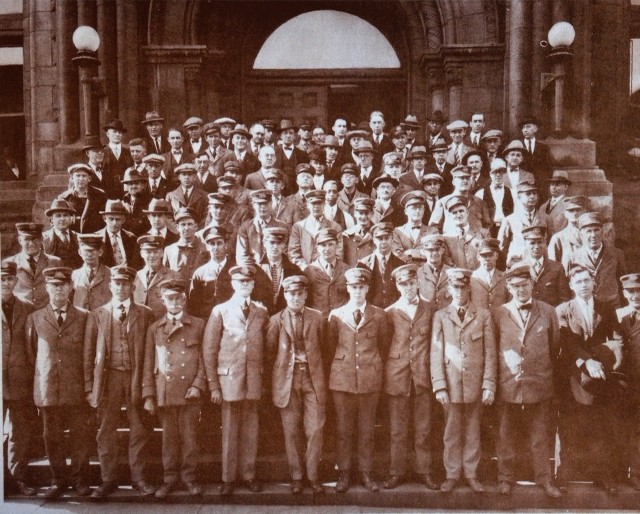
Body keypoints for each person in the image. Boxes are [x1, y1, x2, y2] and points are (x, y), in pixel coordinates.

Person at [84, 266, 156, 499]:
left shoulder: (145, 313)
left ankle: (139, 478)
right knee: (106, 430)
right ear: (110, 286)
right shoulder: (98, 314)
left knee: (139, 428)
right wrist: (88, 386)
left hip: (135, 376)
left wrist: (147, 389)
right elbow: (88, 353)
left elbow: (151, 353)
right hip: (108, 378)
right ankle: (108, 479)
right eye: (117, 283)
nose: (121, 288)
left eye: (126, 284)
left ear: (133, 287)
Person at [493, 264, 562, 498]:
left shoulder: (548, 312)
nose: (521, 290)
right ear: (509, 289)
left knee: (540, 436)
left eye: (524, 285)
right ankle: (505, 479)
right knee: (505, 435)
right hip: (508, 383)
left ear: (532, 285)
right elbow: (493, 348)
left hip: (539, 383)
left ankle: (544, 480)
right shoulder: (499, 313)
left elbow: (554, 347)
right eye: (515, 286)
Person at [556, 264, 624, 495]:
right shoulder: (563, 310)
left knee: (600, 424)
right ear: (571, 285)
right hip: (573, 375)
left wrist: (612, 358)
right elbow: (567, 342)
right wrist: (587, 362)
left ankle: (603, 474)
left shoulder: (606, 308)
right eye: (578, 282)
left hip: (601, 376)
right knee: (570, 425)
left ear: (593, 282)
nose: (583, 285)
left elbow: (615, 338)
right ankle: (564, 473)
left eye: (587, 281)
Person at [202, 265, 269, 495]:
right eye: (241, 282)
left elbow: (265, 348)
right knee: (229, 430)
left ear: (253, 284)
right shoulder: (220, 311)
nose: (245, 285)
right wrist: (213, 384)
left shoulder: (261, 311)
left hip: (253, 380)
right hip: (228, 379)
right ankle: (228, 478)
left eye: (249, 282)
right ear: (233, 284)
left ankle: (248, 475)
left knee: (251, 429)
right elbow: (209, 350)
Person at [25, 267, 92, 499]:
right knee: (51, 437)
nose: (59, 290)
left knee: (80, 436)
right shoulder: (35, 318)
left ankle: (80, 479)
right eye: (54, 285)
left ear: (71, 287)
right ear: (47, 288)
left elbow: (89, 352)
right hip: (48, 388)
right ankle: (58, 479)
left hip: (76, 388)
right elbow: (31, 353)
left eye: (63, 285)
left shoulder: (84, 316)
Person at [431, 268, 496, 493]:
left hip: (474, 384)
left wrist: (488, 383)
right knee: (451, 431)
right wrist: (439, 384)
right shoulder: (440, 315)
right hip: (450, 384)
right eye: (455, 288)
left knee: (472, 430)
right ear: (449, 289)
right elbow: (435, 352)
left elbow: (490, 353)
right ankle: (451, 474)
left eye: (462, 287)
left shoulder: (483, 315)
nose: (459, 292)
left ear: (469, 288)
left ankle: (471, 474)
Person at [142, 279, 206, 499]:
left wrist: (198, 385)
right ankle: (169, 479)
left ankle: (189, 478)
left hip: (190, 392)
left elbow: (204, 360)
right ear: (163, 300)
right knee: (168, 439)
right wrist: (149, 395)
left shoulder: (198, 324)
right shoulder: (155, 328)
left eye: (179, 297)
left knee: (189, 438)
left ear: (185, 299)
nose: (175, 302)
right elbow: (148, 364)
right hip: (165, 393)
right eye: (170, 298)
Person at [328, 267, 389, 493]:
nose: (357, 291)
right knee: (344, 429)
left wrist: (371, 365)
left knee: (366, 429)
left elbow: (383, 344)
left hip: (369, 379)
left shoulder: (379, 315)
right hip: (342, 380)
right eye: (353, 287)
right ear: (348, 289)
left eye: (361, 287)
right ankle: (343, 472)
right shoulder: (336, 315)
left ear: (367, 288)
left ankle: (365, 472)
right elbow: (330, 345)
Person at [265, 275, 327, 495]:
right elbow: (270, 353)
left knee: (315, 428)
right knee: (291, 431)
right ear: (285, 295)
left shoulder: (318, 318)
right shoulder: (275, 320)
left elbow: (325, 349)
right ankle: (297, 476)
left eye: (300, 294)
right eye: (291, 294)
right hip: (287, 380)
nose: (296, 298)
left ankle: (312, 476)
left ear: (306, 295)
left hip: (312, 377)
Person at [382, 264, 439, 491]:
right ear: (397, 286)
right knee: (397, 429)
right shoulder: (390, 312)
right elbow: (385, 343)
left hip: (422, 376)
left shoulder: (430, 309)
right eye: (403, 284)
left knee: (423, 428)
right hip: (398, 376)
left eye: (412, 283)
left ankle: (424, 471)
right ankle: (397, 472)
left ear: (418, 283)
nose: (408, 287)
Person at [1, 261, 38, 496]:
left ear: (16, 281)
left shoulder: (26, 308)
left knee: (20, 431)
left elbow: (31, 344)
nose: (5, 283)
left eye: (9, 279)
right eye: (1, 279)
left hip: (20, 378)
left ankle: (17, 478)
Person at [568, 212, 627, 309]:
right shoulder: (573, 257)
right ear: (581, 234)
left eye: (596, 230)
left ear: (602, 231)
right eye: (588, 231)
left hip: (612, 306)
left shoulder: (617, 254)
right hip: (585, 307)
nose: (593, 235)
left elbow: (622, 283)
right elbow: (569, 287)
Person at [3, 222, 62, 309]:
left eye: (35, 239)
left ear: (42, 239)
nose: (31, 243)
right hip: (20, 314)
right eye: (27, 239)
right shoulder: (9, 262)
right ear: (20, 240)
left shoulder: (55, 262)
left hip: (46, 314)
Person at [617, 273, 640, 490]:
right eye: (631, 291)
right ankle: (629, 473)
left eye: (639, 291)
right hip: (627, 385)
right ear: (624, 293)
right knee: (628, 429)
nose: (636, 295)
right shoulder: (618, 316)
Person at [288, 190, 344, 270]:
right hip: (305, 272)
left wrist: (326, 268)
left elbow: (338, 253)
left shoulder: (335, 227)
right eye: (313, 203)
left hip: (327, 272)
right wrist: (305, 267)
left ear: (324, 204)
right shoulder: (298, 227)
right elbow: (293, 253)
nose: (316, 206)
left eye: (319, 203)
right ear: (307, 205)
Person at [253, 226, 303, 314]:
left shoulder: (295, 270)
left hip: (286, 318)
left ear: (284, 245)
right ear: (264, 243)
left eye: (279, 243)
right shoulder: (255, 269)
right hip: (261, 317)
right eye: (272, 242)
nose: (275, 247)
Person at [188, 226, 235, 318]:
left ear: (225, 245)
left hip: (231, 320)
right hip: (206, 320)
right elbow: (193, 305)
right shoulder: (199, 273)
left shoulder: (235, 270)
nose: (216, 247)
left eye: (219, 243)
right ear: (207, 247)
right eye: (212, 244)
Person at [498, 181, 550, 261]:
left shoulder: (546, 218)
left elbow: (550, 242)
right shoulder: (510, 219)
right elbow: (502, 247)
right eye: (528, 194)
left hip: (540, 262)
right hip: (518, 262)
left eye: (534, 193)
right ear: (519, 197)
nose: (532, 197)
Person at [519, 225, 570, 307]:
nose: (536, 247)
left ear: (545, 242)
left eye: (540, 242)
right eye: (532, 243)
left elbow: (564, 298)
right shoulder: (518, 268)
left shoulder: (557, 267)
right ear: (525, 243)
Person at [357, 222, 404, 308]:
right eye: (380, 238)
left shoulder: (400, 264)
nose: (384, 242)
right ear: (374, 240)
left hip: (394, 313)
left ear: (392, 238)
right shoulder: (363, 265)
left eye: (387, 238)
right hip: (372, 315)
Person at [304, 228, 349, 317]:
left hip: (341, 320)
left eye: (330, 244)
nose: (327, 249)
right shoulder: (309, 271)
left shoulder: (346, 269)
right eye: (323, 245)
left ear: (337, 246)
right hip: (318, 321)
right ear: (317, 248)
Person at [236, 189, 288, 265]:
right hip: (254, 270)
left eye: (266, 204)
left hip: (276, 267)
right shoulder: (245, 227)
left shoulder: (282, 226)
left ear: (271, 204)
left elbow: (286, 251)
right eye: (259, 204)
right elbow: (242, 256)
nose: (263, 207)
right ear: (253, 205)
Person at [133, 235, 180, 320]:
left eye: (155, 252)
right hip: (139, 326)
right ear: (141, 254)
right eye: (148, 252)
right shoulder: (136, 276)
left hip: (162, 327)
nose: (152, 255)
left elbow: (180, 307)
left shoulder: (174, 276)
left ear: (162, 253)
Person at [441, 196, 489, 270]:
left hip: (479, 278)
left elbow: (488, 257)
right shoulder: (446, 238)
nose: (459, 215)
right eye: (454, 213)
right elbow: (447, 261)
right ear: (450, 216)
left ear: (467, 213)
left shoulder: (483, 233)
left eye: (461, 211)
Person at [58, 163, 108, 233]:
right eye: (78, 176)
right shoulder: (64, 197)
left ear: (89, 179)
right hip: (74, 236)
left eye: (84, 176)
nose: (81, 179)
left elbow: (106, 217)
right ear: (72, 178)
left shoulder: (100, 195)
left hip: (95, 235)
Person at [163, 207, 209, 282]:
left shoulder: (206, 248)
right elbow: (165, 278)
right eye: (183, 225)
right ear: (177, 227)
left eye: (190, 224)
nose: (186, 228)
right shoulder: (169, 250)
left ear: (196, 226)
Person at [71, 234, 112, 311]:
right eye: (86, 251)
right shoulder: (74, 275)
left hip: (102, 319)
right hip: (80, 320)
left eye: (93, 251)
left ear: (100, 252)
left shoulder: (110, 274)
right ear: (80, 252)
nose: (89, 255)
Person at [475, 158, 514, 238]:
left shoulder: (513, 193)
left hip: (507, 229)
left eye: (501, 172)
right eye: (495, 172)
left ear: (505, 173)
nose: (498, 175)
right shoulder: (480, 193)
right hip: (488, 231)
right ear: (490, 173)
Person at [95, 199, 140, 269]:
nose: (114, 223)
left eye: (118, 219)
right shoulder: (97, 238)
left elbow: (136, 265)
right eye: (111, 219)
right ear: (104, 218)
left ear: (124, 219)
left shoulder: (131, 238)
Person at [392, 191, 437, 261]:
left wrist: (411, 252)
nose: (417, 211)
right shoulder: (397, 231)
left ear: (424, 210)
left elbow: (435, 253)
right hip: (405, 270)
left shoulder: (432, 231)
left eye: (420, 208)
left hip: (426, 270)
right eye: (413, 208)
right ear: (406, 211)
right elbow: (398, 255)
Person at [548, 196, 587, 273]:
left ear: (584, 211)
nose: (575, 213)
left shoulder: (591, 235)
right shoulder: (558, 238)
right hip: (567, 280)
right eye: (571, 210)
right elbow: (552, 265)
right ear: (565, 214)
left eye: (578, 210)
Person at [470, 238, 509, 313]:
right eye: (483, 255)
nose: (487, 259)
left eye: (490, 255)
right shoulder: (472, 277)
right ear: (478, 257)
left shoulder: (505, 277)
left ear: (496, 256)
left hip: (500, 320)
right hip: (480, 321)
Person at [165, 163, 209, 228]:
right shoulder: (170, 196)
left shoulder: (204, 195)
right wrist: (178, 230)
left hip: (198, 232)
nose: (187, 177)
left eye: (190, 174)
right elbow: (168, 217)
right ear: (179, 177)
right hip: (176, 233)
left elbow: (206, 216)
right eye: (184, 174)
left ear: (194, 177)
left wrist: (195, 230)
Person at [42, 199, 82, 268]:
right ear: (52, 219)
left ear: (70, 218)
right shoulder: (43, 238)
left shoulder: (79, 237)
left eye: (65, 215)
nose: (62, 219)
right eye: (58, 216)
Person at [417, 235, 453, 311]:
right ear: (423, 251)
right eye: (430, 250)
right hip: (426, 318)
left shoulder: (452, 273)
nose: (434, 253)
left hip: (446, 317)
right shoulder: (418, 273)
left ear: (442, 250)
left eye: (437, 249)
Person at [342, 197, 376, 266]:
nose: (363, 217)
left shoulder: (377, 235)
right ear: (355, 214)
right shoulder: (346, 235)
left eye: (366, 213)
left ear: (372, 214)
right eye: (360, 213)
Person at [121, 168, 152, 237]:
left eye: (136, 183)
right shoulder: (123, 202)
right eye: (131, 184)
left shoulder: (150, 202)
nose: (134, 186)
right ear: (127, 186)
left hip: (144, 238)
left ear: (143, 185)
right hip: (127, 239)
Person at [539, 171, 571, 235]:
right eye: (552, 184)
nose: (554, 187)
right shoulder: (543, 207)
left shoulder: (569, 205)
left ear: (566, 187)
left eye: (557, 184)